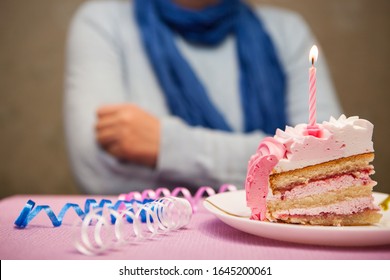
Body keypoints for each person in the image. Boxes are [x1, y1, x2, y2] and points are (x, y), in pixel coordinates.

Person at [64, 0, 342, 194]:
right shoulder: (103, 22)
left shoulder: (287, 30)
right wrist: (279, 161)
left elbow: (326, 161)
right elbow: (98, 174)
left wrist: (166, 147)